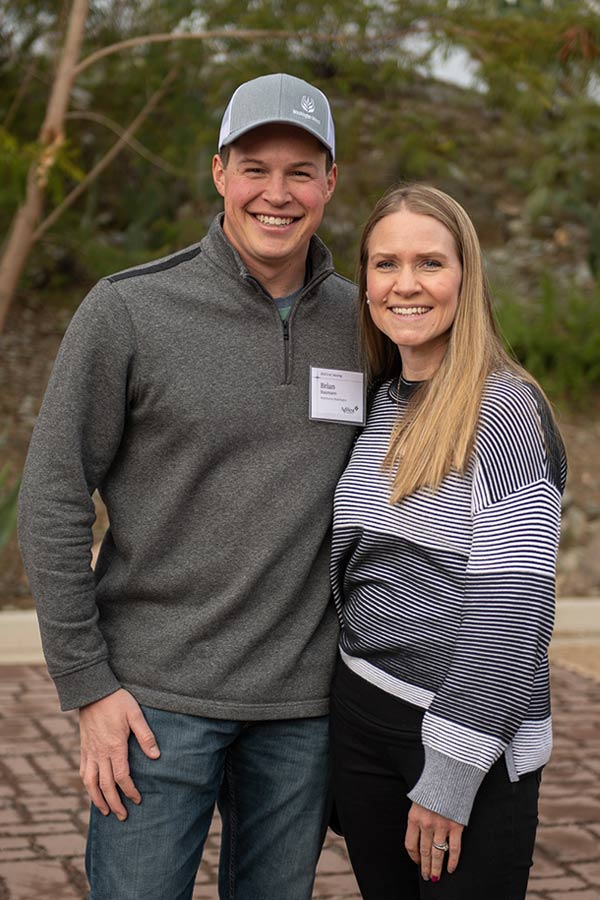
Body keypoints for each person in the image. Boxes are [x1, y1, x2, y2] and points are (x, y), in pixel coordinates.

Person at [18, 73, 361, 900]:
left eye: (299, 170)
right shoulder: (129, 311)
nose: (276, 194)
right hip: (151, 704)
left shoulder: (366, 321)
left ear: (329, 184)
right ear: (218, 173)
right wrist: (88, 687)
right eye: (254, 167)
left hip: (303, 711)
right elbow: (53, 497)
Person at [329, 183, 566, 899]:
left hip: (467, 734)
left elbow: (514, 614)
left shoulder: (505, 410)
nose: (406, 284)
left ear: (466, 276)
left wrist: (450, 776)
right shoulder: (378, 403)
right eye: (384, 264)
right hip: (362, 715)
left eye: (430, 263)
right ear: (364, 281)